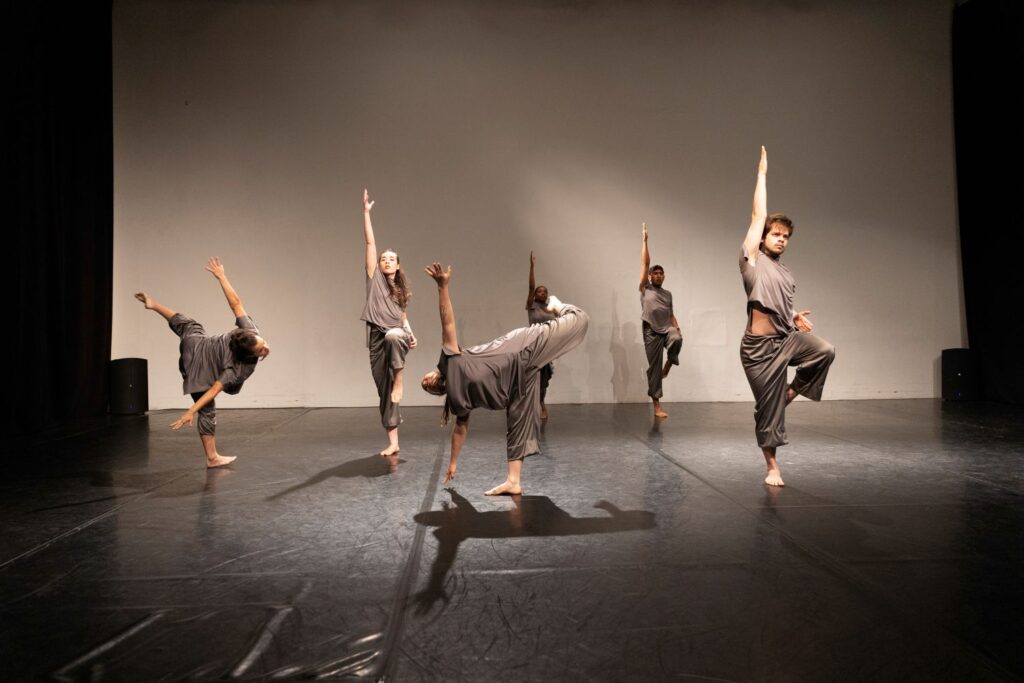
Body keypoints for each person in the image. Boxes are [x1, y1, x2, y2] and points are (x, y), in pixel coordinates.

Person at [420, 262, 588, 495]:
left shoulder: (450, 359)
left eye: (424, 381)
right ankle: (513, 481)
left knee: (579, 320)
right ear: (439, 390)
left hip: (519, 351)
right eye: (427, 388)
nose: (426, 383)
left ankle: (559, 307)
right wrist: (453, 464)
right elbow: (459, 431)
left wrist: (442, 287)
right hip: (515, 387)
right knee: (517, 426)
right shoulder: (458, 401)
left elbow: (447, 321)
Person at [740, 147, 835, 486]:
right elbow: (756, 216)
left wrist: (793, 314)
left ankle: (788, 394)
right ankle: (772, 468)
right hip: (758, 350)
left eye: (785, 236)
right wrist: (762, 174)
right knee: (769, 412)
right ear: (763, 238)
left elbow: (777, 300)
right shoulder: (752, 261)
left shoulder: (787, 273)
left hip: (786, 340)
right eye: (775, 234)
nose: (781, 239)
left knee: (825, 350)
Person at [134, 257, 270, 468]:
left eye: (264, 344)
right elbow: (213, 391)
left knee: (190, 326)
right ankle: (212, 457)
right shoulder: (234, 369)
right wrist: (190, 412)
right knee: (209, 407)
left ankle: (153, 305)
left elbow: (236, 303)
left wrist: (222, 277)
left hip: (194, 345)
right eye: (261, 349)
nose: (266, 348)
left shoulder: (249, 331)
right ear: (246, 355)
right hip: (197, 372)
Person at [360, 189, 417, 456]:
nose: (385, 261)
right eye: (384, 259)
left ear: (398, 265)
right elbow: (370, 245)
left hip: (395, 338)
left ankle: (400, 378)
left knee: (395, 336)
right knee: (384, 393)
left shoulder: (401, 290)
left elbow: (402, 319)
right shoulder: (374, 280)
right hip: (375, 339)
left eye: (391, 259)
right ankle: (393, 442)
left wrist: (409, 333)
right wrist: (366, 213)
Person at [639, 222, 683, 418]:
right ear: (650, 276)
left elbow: (670, 313)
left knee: (677, 338)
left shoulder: (668, 294)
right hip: (650, 332)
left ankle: (670, 363)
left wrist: (677, 327)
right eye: (654, 273)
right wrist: (645, 241)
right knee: (653, 369)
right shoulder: (645, 288)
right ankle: (657, 404)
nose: (657, 275)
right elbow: (645, 263)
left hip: (666, 328)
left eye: (660, 273)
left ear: (664, 276)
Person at [525, 251, 556, 420]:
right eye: (540, 292)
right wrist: (532, 267)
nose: (543, 294)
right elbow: (530, 287)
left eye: (545, 292)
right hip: (534, 345)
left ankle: (541, 402)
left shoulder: (551, 309)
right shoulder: (532, 306)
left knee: (544, 378)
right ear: (536, 295)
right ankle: (530, 404)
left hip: (547, 346)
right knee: (531, 376)